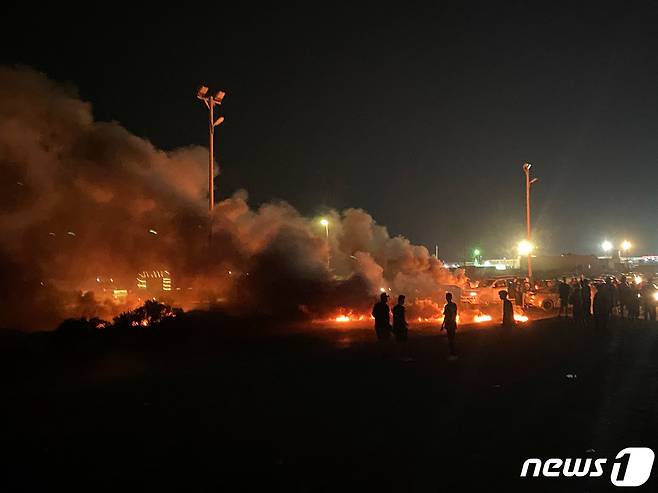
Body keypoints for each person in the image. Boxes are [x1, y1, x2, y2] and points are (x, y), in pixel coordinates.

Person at [441, 292, 458, 359]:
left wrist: (443, 325)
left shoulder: (447, 306)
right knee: (452, 339)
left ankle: (452, 353)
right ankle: (453, 353)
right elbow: (454, 314)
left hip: (449, 324)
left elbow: (446, 316)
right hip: (452, 323)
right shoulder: (454, 305)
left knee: (450, 339)